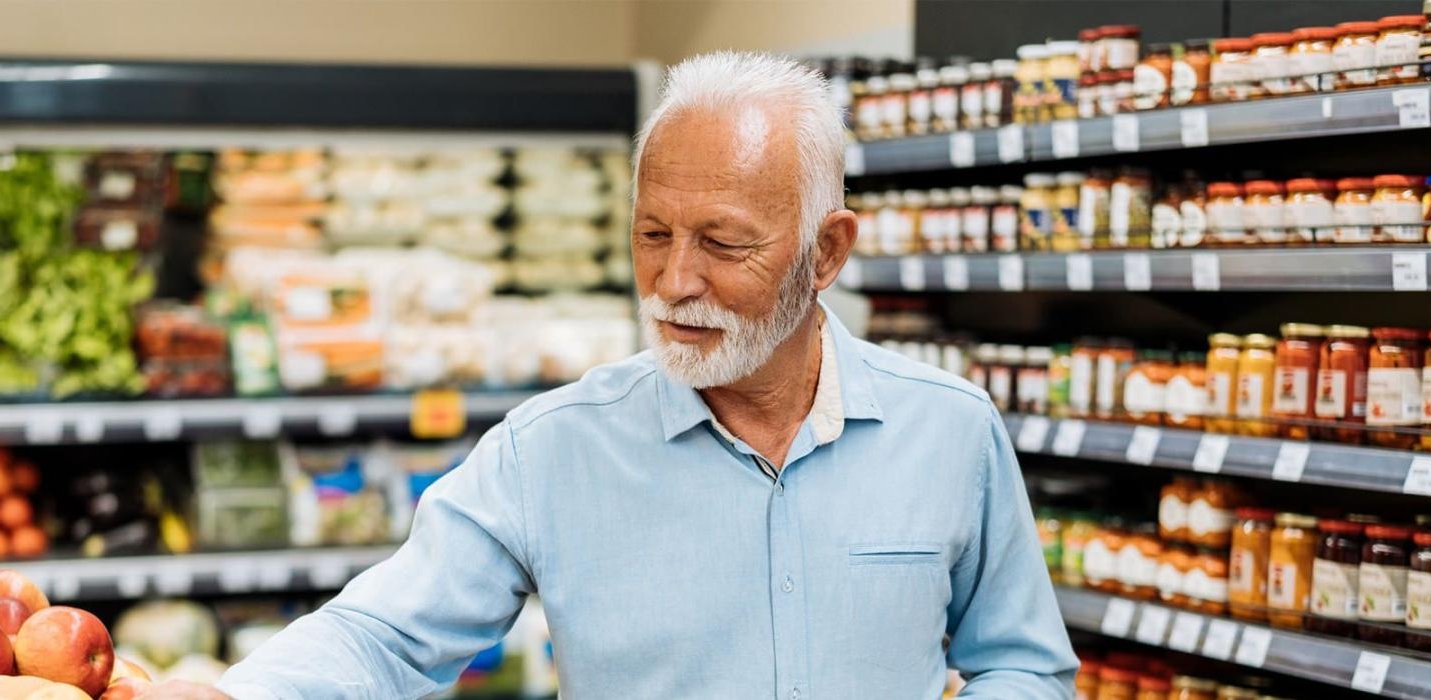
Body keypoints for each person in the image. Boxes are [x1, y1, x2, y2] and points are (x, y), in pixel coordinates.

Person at [158, 50, 1077, 699]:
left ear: (826, 252)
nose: (675, 283)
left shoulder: (950, 430)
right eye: (651, 235)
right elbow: (387, 634)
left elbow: (1024, 663)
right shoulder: (550, 449)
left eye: (723, 244)